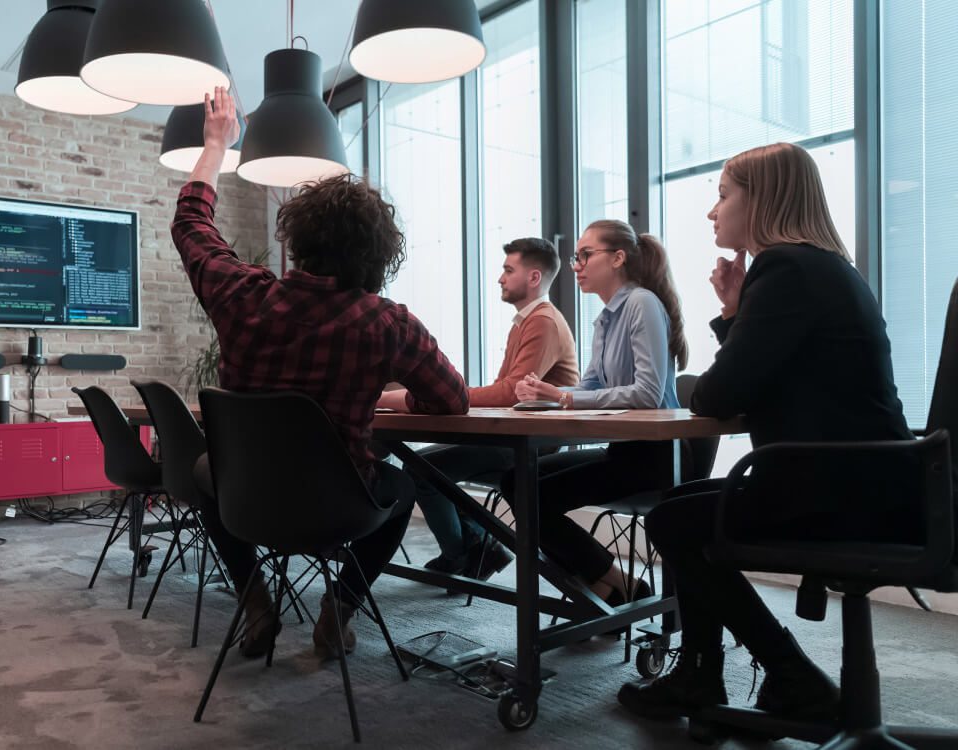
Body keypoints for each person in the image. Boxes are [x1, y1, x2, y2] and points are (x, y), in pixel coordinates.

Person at [616, 142, 913, 728]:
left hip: (842, 492)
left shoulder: (786, 269)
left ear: (763, 199)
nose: (712, 212)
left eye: (723, 195)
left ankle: (788, 674)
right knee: (680, 509)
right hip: (877, 483)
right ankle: (705, 674)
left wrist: (733, 322)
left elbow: (719, 394)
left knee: (674, 521)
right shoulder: (821, 267)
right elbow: (761, 377)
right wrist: (735, 311)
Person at [171, 88, 469, 660]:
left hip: (247, 500)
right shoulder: (389, 324)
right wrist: (387, 392)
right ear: (379, 257)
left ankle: (256, 600)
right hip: (341, 508)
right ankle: (341, 607)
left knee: (210, 469)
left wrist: (215, 145)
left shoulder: (241, 295)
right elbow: (452, 401)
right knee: (402, 486)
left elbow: (190, 224)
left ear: (297, 240)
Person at [503, 218, 689, 607]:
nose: (577, 265)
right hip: (624, 451)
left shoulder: (641, 303)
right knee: (515, 480)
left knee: (530, 494)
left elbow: (648, 394)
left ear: (618, 258)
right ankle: (604, 582)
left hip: (657, 457)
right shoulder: (606, 316)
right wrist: (545, 393)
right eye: (576, 257)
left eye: (586, 255)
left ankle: (601, 582)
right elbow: (590, 386)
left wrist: (565, 398)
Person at [395, 237, 578, 580]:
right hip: (515, 436)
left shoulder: (543, 321)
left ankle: (468, 552)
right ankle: (476, 550)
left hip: (535, 443)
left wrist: (455, 395)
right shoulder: (526, 321)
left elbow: (509, 394)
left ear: (534, 278)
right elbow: (507, 391)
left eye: (509, 270)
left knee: (422, 470)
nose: (500, 278)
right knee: (423, 467)